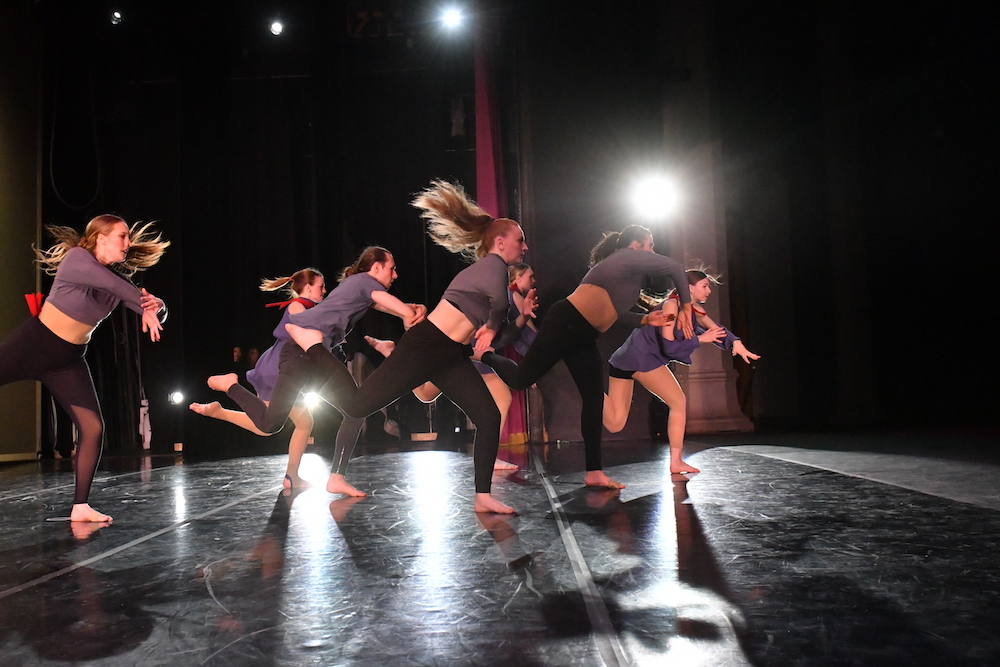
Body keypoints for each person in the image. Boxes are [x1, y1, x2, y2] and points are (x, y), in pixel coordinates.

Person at [286, 180, 534, 514]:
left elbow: (501, 329)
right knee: (358, 405)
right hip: (426, 346)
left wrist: (495, 331)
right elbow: (500, 306)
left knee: (488, 416)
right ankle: (314, 346)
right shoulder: (492, 266)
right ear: (500, 242)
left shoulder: (494, 272)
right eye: (520, 240)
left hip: (450, 356)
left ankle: (482, 496)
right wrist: (490, 327)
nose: (525, 246)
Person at [478, 225, 693, 490]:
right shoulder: (625, 257)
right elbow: (674, 268)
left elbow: (615, 313)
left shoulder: (628, 277)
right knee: (522, 378)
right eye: (650, 245)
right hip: (565, 322)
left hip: (582, 334)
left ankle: (594, 472)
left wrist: (645, 319)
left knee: (593, 399)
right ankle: (485, 355)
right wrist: (686, 306)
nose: (653, 252)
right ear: (635, 246)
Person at [203, 248, 424, 497]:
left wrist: (408, 309)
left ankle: (336, 477)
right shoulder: (363, 282)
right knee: (270, 424)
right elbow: (384, 302)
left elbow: (381, 304)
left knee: (355, 410)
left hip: (317, 355)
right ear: (375, 269)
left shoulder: (359, 286)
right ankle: (231, 385)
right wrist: (408, 314)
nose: (395, 274)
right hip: (299, 353)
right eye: (391, 268)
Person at [0, 214, 169, 523]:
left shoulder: (118, 281)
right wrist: (143, 301)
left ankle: (80, 506)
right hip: (35, 345)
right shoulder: (77, 259)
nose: (128, 244)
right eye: (122, 236)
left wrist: (156, 307)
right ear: (100, 238)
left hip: (68, 359)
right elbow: (119, 289)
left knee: (92, 428)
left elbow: (146, 306)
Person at [190, 268, 356, 493]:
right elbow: (303, 328)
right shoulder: (298, 306)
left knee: (299, 423)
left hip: (287, 367)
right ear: (307, 288)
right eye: (320, 286)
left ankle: (291, 476)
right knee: (269, 424)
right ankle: (228, 390)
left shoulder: (309, 307)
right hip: (280, 368)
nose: (324, 291)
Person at [364, 262, 540, 470]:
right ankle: (489, 457)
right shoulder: (510, 296)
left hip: (462, 349)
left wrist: (525, 317)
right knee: (502, 396)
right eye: (530, 277)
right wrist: (531, 366)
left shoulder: (508, 297)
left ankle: (390, 352)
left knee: (425, 394)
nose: (533, 282)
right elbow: (515, 337)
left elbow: (508, 335)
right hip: (471, 349)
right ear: (517, 279)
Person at [603, 268, 760, 474]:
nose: (709, 291)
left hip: (624, 360)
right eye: (704, 286)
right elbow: (669, 347)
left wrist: (735, 342)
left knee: (614, 424)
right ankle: (676, 462)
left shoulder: (693, 309)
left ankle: (590, 391)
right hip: (640, 358)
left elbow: (716, 329)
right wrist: (700, 339)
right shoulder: (671, 307)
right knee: (678, 402)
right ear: (689, 288)